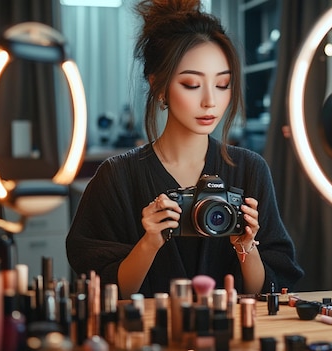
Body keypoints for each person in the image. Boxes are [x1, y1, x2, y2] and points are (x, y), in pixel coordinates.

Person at [66, 0, 304, 298]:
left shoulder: (250, 170)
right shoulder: (117, 178)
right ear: (159, 87)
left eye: (222, 84)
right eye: (192, 84)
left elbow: (265, 292)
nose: (210, 101)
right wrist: (149, 242)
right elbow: (106, 293)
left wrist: (246, 245)